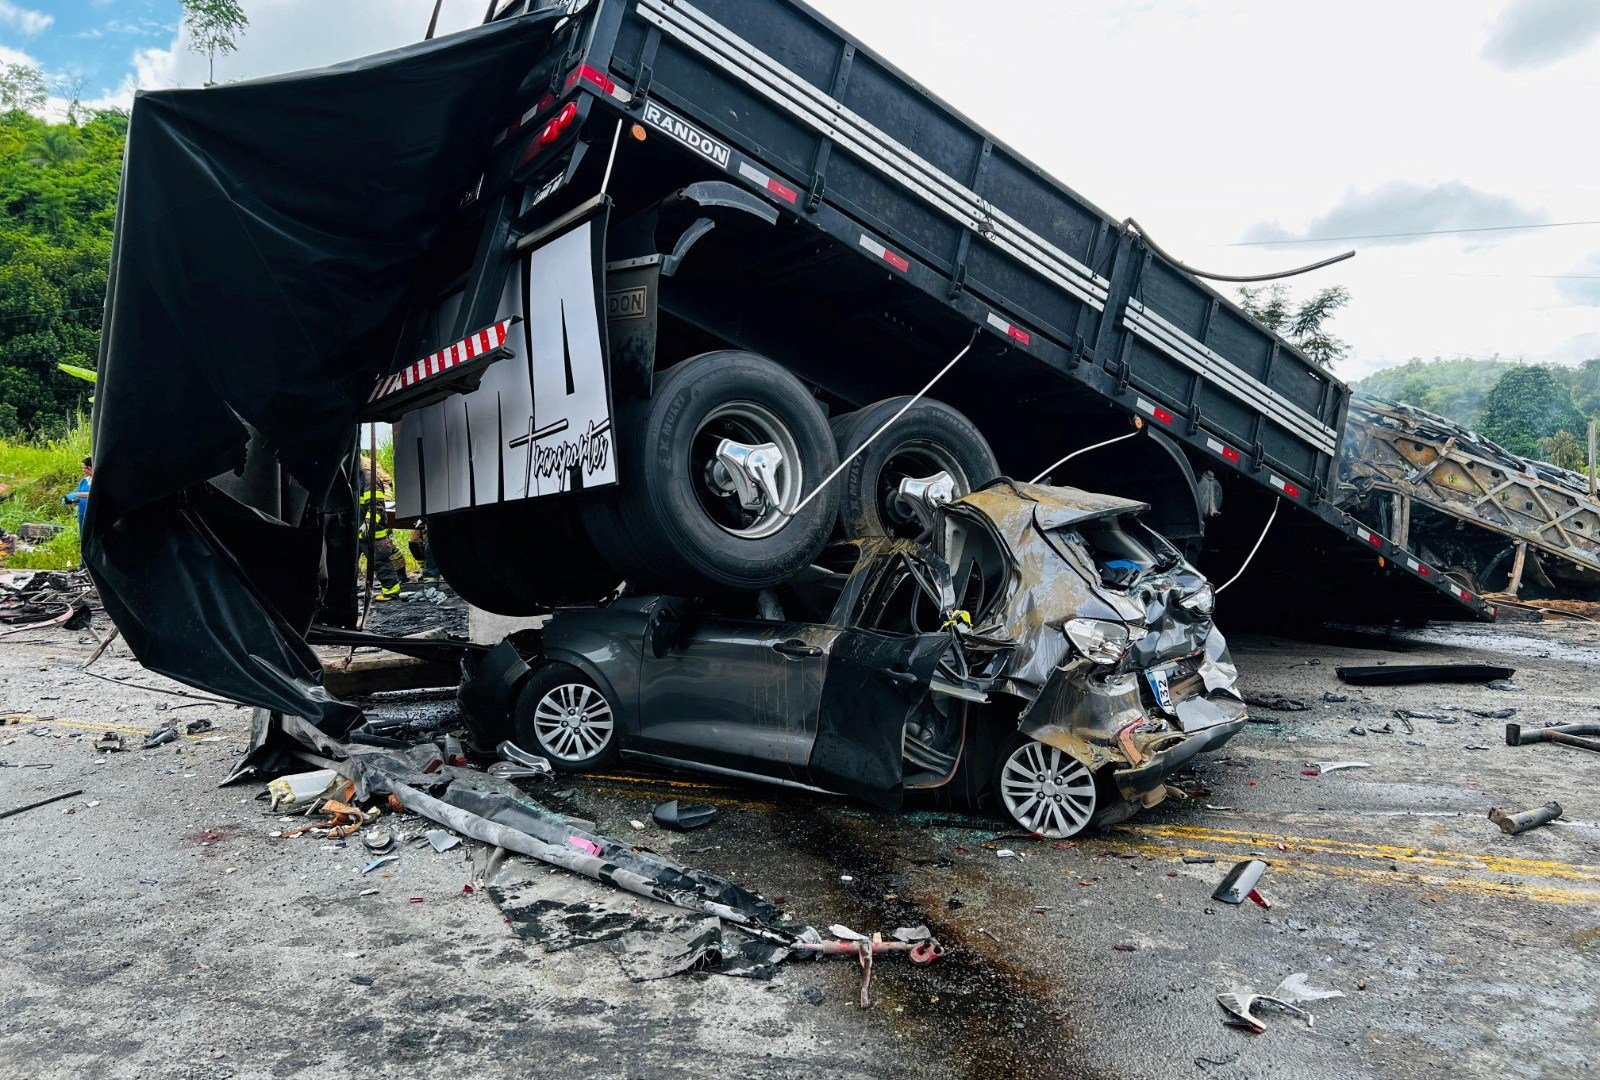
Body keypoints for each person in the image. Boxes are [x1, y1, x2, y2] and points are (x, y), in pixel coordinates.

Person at [359, 456, 408, 601]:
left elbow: (376, 508)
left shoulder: (369, 479)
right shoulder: (356, 478)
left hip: (373, 531)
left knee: (380, 561)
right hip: (358, 530)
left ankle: (391, 591)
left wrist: (368, 525)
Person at [62, 456, 92, 532]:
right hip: (82, 512)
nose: (83, 470)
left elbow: (94, 494)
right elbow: (79, 497)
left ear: (90, 467)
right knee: (83, 536)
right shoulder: (84, 481)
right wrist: (70, 500)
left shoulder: (98, 481)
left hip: (93, 513)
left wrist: (78, 494)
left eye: (84, 468)